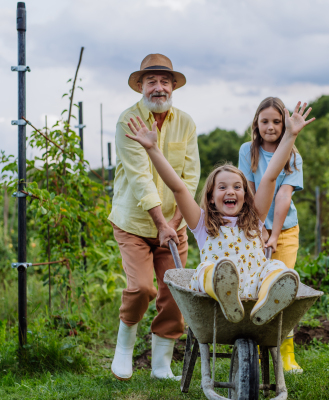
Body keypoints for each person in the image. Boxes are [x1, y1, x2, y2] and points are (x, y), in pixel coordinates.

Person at [125, 102, 314, 328]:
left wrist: (290, 135)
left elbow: (271, 176)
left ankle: (267, 302)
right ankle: (225, 290)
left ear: (246, 194)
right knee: (209, 269)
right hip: (215, 295)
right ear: (211, 196)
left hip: (252, 289)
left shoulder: (255, 219)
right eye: (222, 187)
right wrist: (152, 149)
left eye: (237, 187)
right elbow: (178, 188)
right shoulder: (203, 223)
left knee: (277, 268)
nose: (230, 191)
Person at [109, 54, 200, 381]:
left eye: (164, 81)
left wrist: (174, 224)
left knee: (176, 292)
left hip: (173, 225)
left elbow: (190, 177)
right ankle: (124, 347)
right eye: (151, 81)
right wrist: (160, 223)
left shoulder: (186, 123)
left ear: (173, 86)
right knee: (142, 288)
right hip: (134, 222)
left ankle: (161, 365)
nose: (158, 87)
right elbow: (139, 178)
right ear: (140, 86)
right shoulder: (128, 121)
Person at [238, 97, 305, 373]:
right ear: (256, 123)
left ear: (285, 125)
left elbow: (283, 197)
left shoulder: (293, 156)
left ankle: (285, 353)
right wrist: (259, 229)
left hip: (285, 230)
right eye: (265, 121)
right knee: (254, 286)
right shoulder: (248, 150)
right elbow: (249, 190)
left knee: (281, 289)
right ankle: (254, 349)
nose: (271, 127)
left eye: (277, 122)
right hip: (254, 228)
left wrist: (274, 234)